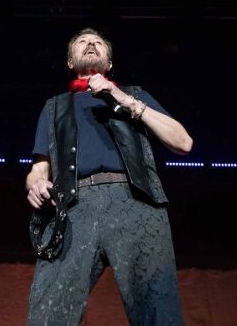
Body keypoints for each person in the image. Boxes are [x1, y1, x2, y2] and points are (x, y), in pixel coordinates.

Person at [26, 28, 192, 325]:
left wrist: (121, 98)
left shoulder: (134, 95)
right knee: (48, 311)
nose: (90, 43)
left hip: (136, 204)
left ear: (110, 63)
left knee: (157, 308)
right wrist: (35, 184)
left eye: (98, 42)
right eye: (82, 42)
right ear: (70, 61)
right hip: (74, 208)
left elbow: (183, 142)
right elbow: (39, 169)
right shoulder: (54, 107)